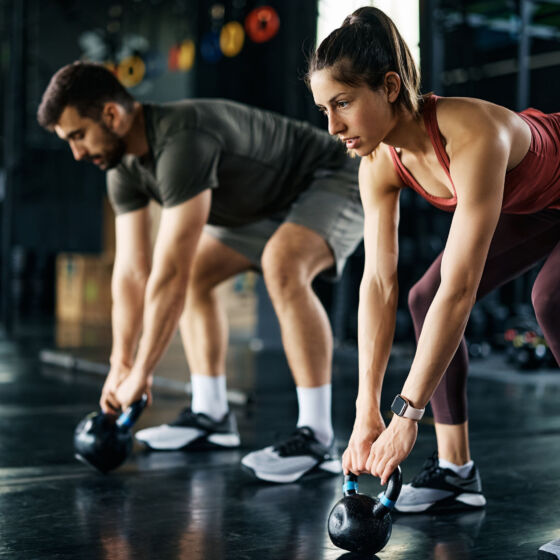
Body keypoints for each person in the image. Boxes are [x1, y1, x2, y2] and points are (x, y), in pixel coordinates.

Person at [37, 61, 364, 483]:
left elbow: (166, 272)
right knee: (196, 276)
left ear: (111, 115)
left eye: (78, 136)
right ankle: (210, 416)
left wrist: (142, 372)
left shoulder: (181, 140)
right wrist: (120, 363)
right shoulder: (120, 167)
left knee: (282, 264)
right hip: (263, 207)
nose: (77, 153)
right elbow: (132, 270)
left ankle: (318, 439)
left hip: (333, 178)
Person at [308, 6, 560, 513]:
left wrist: (406, 413)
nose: (333, 125)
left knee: (551, 300)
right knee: (422, 298)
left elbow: (462, 286)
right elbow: (379, 283)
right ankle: (456, 472)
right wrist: (365, 413)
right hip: (535, 204)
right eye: (324, 110)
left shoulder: (471, 133)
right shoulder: (378, 161)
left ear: (390, 86)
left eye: (343, 103)